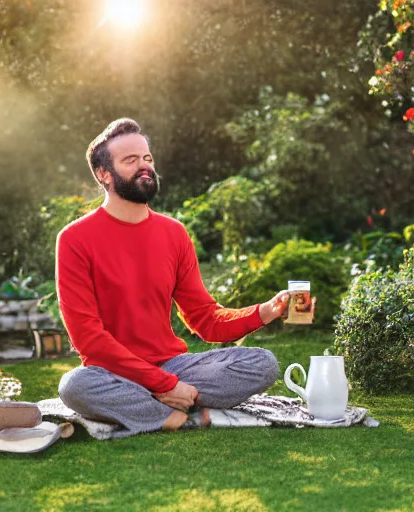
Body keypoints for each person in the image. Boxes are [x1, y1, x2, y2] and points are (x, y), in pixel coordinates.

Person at [56, 118, 290, 434]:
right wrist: (162, 384)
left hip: (175, 366)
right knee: (74, 385)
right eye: (131, 160)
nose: (144, 167)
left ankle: (147, 408)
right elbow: (88, 338)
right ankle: (179, 413)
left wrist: (264, 312)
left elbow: (204, 318)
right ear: (104, 174)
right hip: (112, 371)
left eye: (147, 158)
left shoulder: (174, 234)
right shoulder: (75, 239)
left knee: (263, 364)